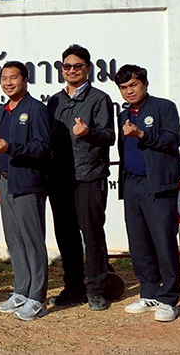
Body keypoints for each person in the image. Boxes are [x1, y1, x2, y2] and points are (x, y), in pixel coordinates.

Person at [46, 45, 115, 310]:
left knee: (93, 235)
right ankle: (73, 287)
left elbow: (109, 136)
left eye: (77, 66)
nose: (72, 70)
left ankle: (97, 289)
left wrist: (88, 132)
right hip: (60, 179)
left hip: (89, 176)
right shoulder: (54, 101)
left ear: (88, 69)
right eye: (67, 66)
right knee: (66, 236)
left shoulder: (99, 99)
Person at [115, 64, 180, 322]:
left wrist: (142, 134)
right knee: (139, 243)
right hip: (132, 184)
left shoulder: (164, 107)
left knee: (164, 242)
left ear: (144, 83)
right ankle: (149, 292)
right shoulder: (124, 115)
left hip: (158, 184)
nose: (129, 91)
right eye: (123, 87)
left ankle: (169, 298)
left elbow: (173, 140)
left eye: (133, 85)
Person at [0, 61, 52, 321]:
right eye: (4, 78)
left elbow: (43, 147)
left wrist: (12, 148)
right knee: (14, 241)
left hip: (27, 182)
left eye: (13, 77)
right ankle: (21, 291)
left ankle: (37, 298)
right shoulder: (4, 110)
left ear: (25, 79)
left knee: (33, 241)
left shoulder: (36, 109)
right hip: (6, 182)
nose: (8, 82)